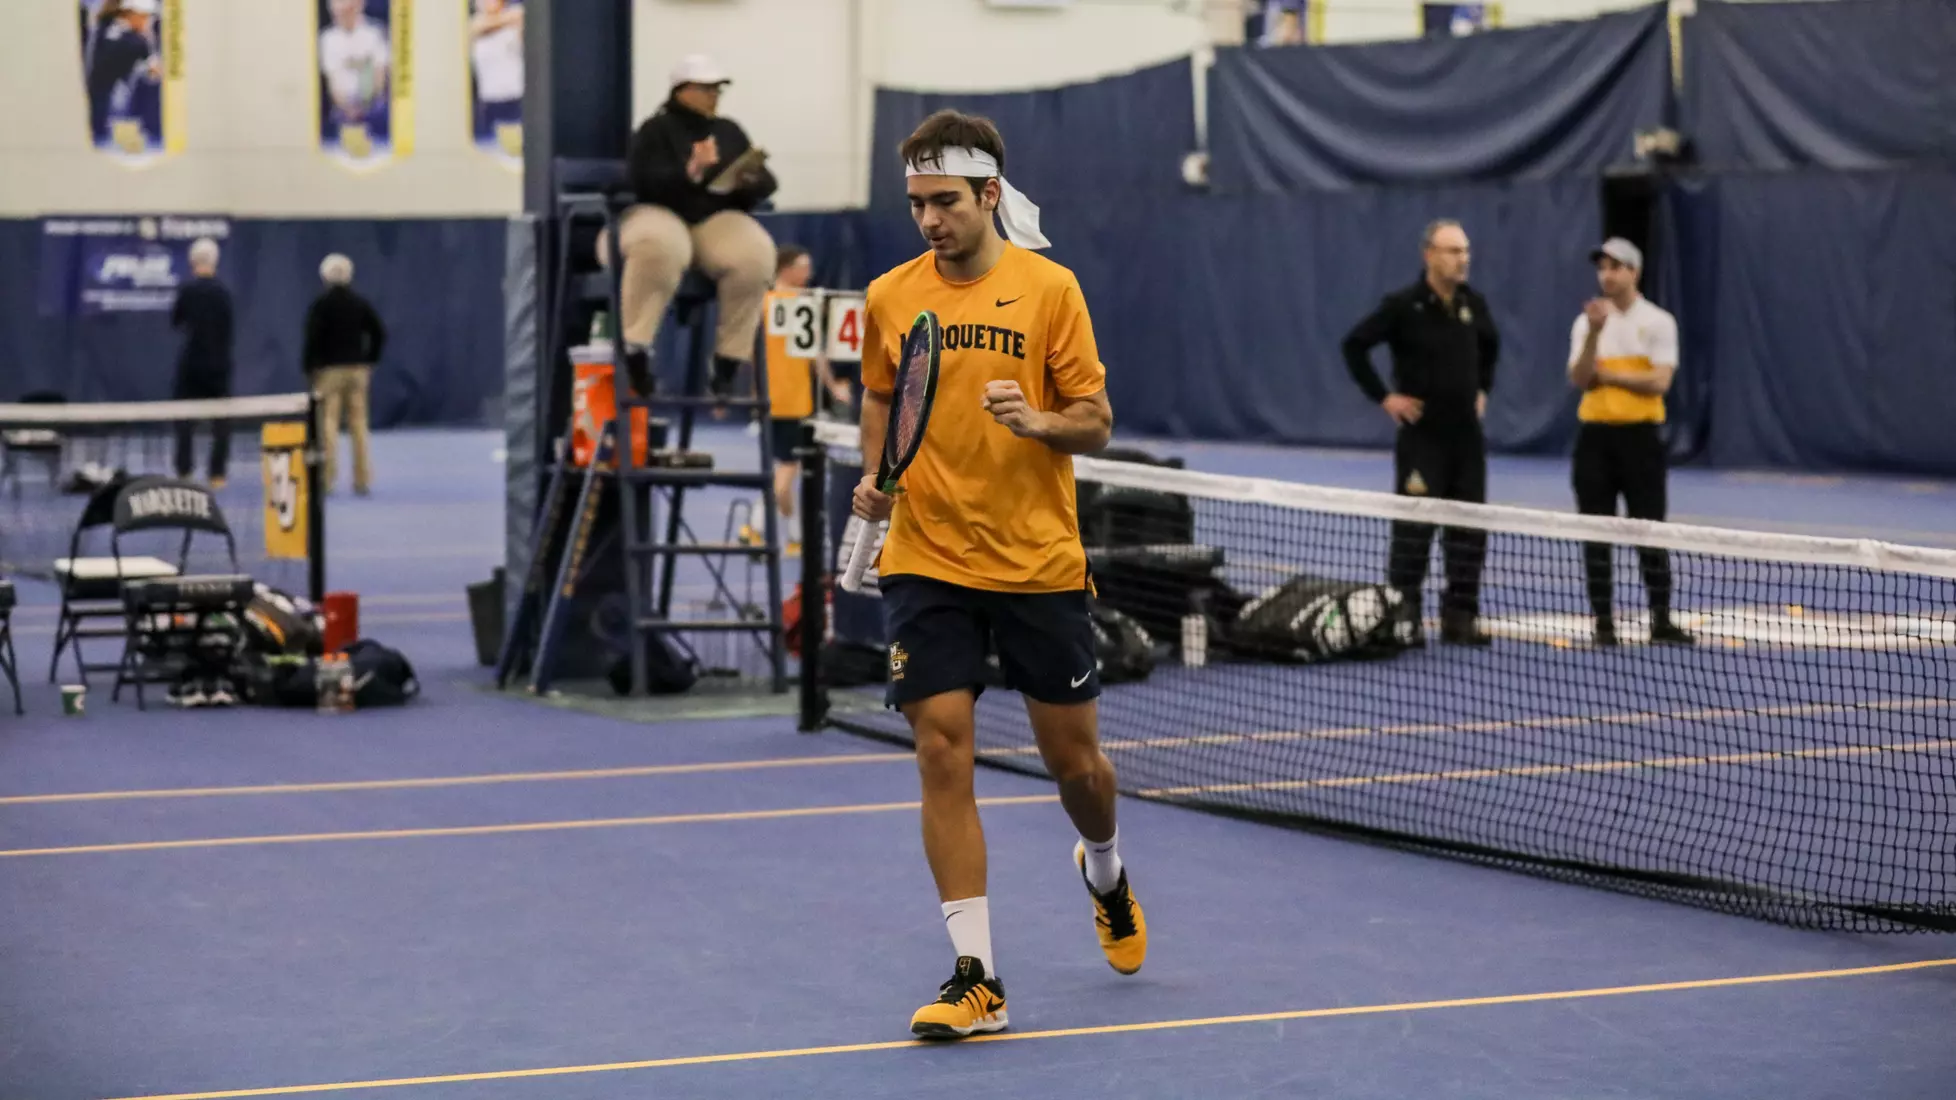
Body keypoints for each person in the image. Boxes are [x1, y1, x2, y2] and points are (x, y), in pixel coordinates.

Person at [851, 109, 1146, 1041]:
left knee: (1078, 768)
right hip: (926, 558)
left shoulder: (1050, 290)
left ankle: (1103, 865)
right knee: (941, 749)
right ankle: (977, 978)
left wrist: (1042, 422)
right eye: (916, 204)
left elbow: (1095, 420)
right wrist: (876, 474)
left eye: (945, 202)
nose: (929, 220)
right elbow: (880, 394)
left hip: (1035, 562)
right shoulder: (892, 296)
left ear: (988, 195)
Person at [1342, 219, 1500, 646]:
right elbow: (1353, 346)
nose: (1462, 259)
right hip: (1422, 439)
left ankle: (1460, 616)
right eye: (1453, 251)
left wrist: (1483, 388)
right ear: (1429, 254)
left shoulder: (1474, 304)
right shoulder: (1402, 305)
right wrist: (1385, 398)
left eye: (1465, 251)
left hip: (1467, 441)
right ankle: (1404, 615)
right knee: (1414, 530)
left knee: (1468, 530)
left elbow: (1491, 347)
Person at [604, 54, 777, 399]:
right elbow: (644, 183)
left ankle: (728, 361)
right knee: (659, 246)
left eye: (717, 89)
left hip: (712, 218)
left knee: (754, 255)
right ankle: (636, 349)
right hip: (661, 211)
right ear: (682, 90)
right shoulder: (655, 130)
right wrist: (691, 172)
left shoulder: (728, 131)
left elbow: (766, 184)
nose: (714, 95)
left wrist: (747, 180)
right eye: (706, 88)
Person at [1567, 238, 1695, 648]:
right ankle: (1603, 622)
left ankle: (1661, 619)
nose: (1607, 273)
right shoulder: (1586, 322)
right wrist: (1594, 336)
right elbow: (1580, 379)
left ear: (1634, 272)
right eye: (1602, 266)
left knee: (1650, 530)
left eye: (1616, 266)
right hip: (1595, 440)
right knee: (1595, 532)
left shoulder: (1659, 322)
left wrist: (1612, 377)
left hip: (1641, 441)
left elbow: (1659, 382)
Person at [761, 245, 849, 555]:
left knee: (783, 468)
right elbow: (816, 353)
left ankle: (796, 536)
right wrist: (833, 385)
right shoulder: (802, 303)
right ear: (784, 268)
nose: (808, 273)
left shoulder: (762, 303)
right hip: (794, 400)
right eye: (802, 266)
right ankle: (757, 526)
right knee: (787, 470)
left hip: (766, 399)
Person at [303, 254, 387, 496]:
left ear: (324, 276)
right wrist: (370, 359)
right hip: (358, 370)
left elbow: (312, 339)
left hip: (329, 370)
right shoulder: (359, 303)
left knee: (327, 423)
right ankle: (362, 480)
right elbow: (379, 332)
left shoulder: (321, 305)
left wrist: (309, 368)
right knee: (359, 424)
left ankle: (327, 480)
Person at [169, 238, 233, 486]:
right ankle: (217, 475)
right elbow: (228, 330)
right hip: (219, 366)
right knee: (222, 422)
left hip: (192, 365)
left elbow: (176, 321)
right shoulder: (224, 294)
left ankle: (184, 471)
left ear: (192, 262)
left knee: (184, 419)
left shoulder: (187, 291)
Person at [84, 0, 161, 151]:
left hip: (115, 99)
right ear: (130, 14)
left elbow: (152, 70)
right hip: (105, 102)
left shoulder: (132, 36)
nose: (147, 21)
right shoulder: (119, 35)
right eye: (144, 16)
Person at [319, 0, 390, 133]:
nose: (344, 8)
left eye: (349, 4)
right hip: (342, 111)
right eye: (338, 5)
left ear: (360, 4)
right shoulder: (327, 39)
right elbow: (333, 83)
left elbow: (380, 75)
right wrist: (347, 108)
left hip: (374, 109)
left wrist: (365, 106)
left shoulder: (376, 32)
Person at [468, 0, 524, 152]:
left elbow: (521, 16)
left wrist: (511, 18)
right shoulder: (474, 23)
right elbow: (474, 29)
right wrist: (506, 19)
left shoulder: (517, 14)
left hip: (516, 100)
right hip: (488, 103)